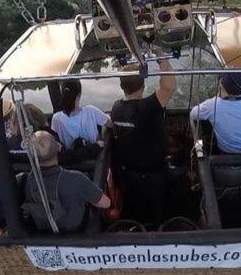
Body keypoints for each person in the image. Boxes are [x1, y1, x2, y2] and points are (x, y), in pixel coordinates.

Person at [110, 57, 176, 226]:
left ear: (121, 87)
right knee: (158, 212)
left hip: (130, 176)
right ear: (143, 85)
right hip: (155, 176)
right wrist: (161, 57)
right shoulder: (147, 108)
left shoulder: (116, 108)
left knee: (138, 209)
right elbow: (168, 86)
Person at [22, 130, 110, 233]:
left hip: (44, 234)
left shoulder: (29, 180)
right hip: (78, 232)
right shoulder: (77, 178)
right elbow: (106, 203)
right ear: (58, 147)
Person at [189, 73, 241, 154]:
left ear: (221, 87)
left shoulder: (212, 105)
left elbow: (193, 114)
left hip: (230, 155)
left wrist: (218, 96)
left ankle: (199, 153)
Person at [50, 80, 110, 150]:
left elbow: (54, 140)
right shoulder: (91, 111)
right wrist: (107, 116)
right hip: (94, 156)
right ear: (79, 94)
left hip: (71, 158)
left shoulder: (56, 118)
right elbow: (110, 124)